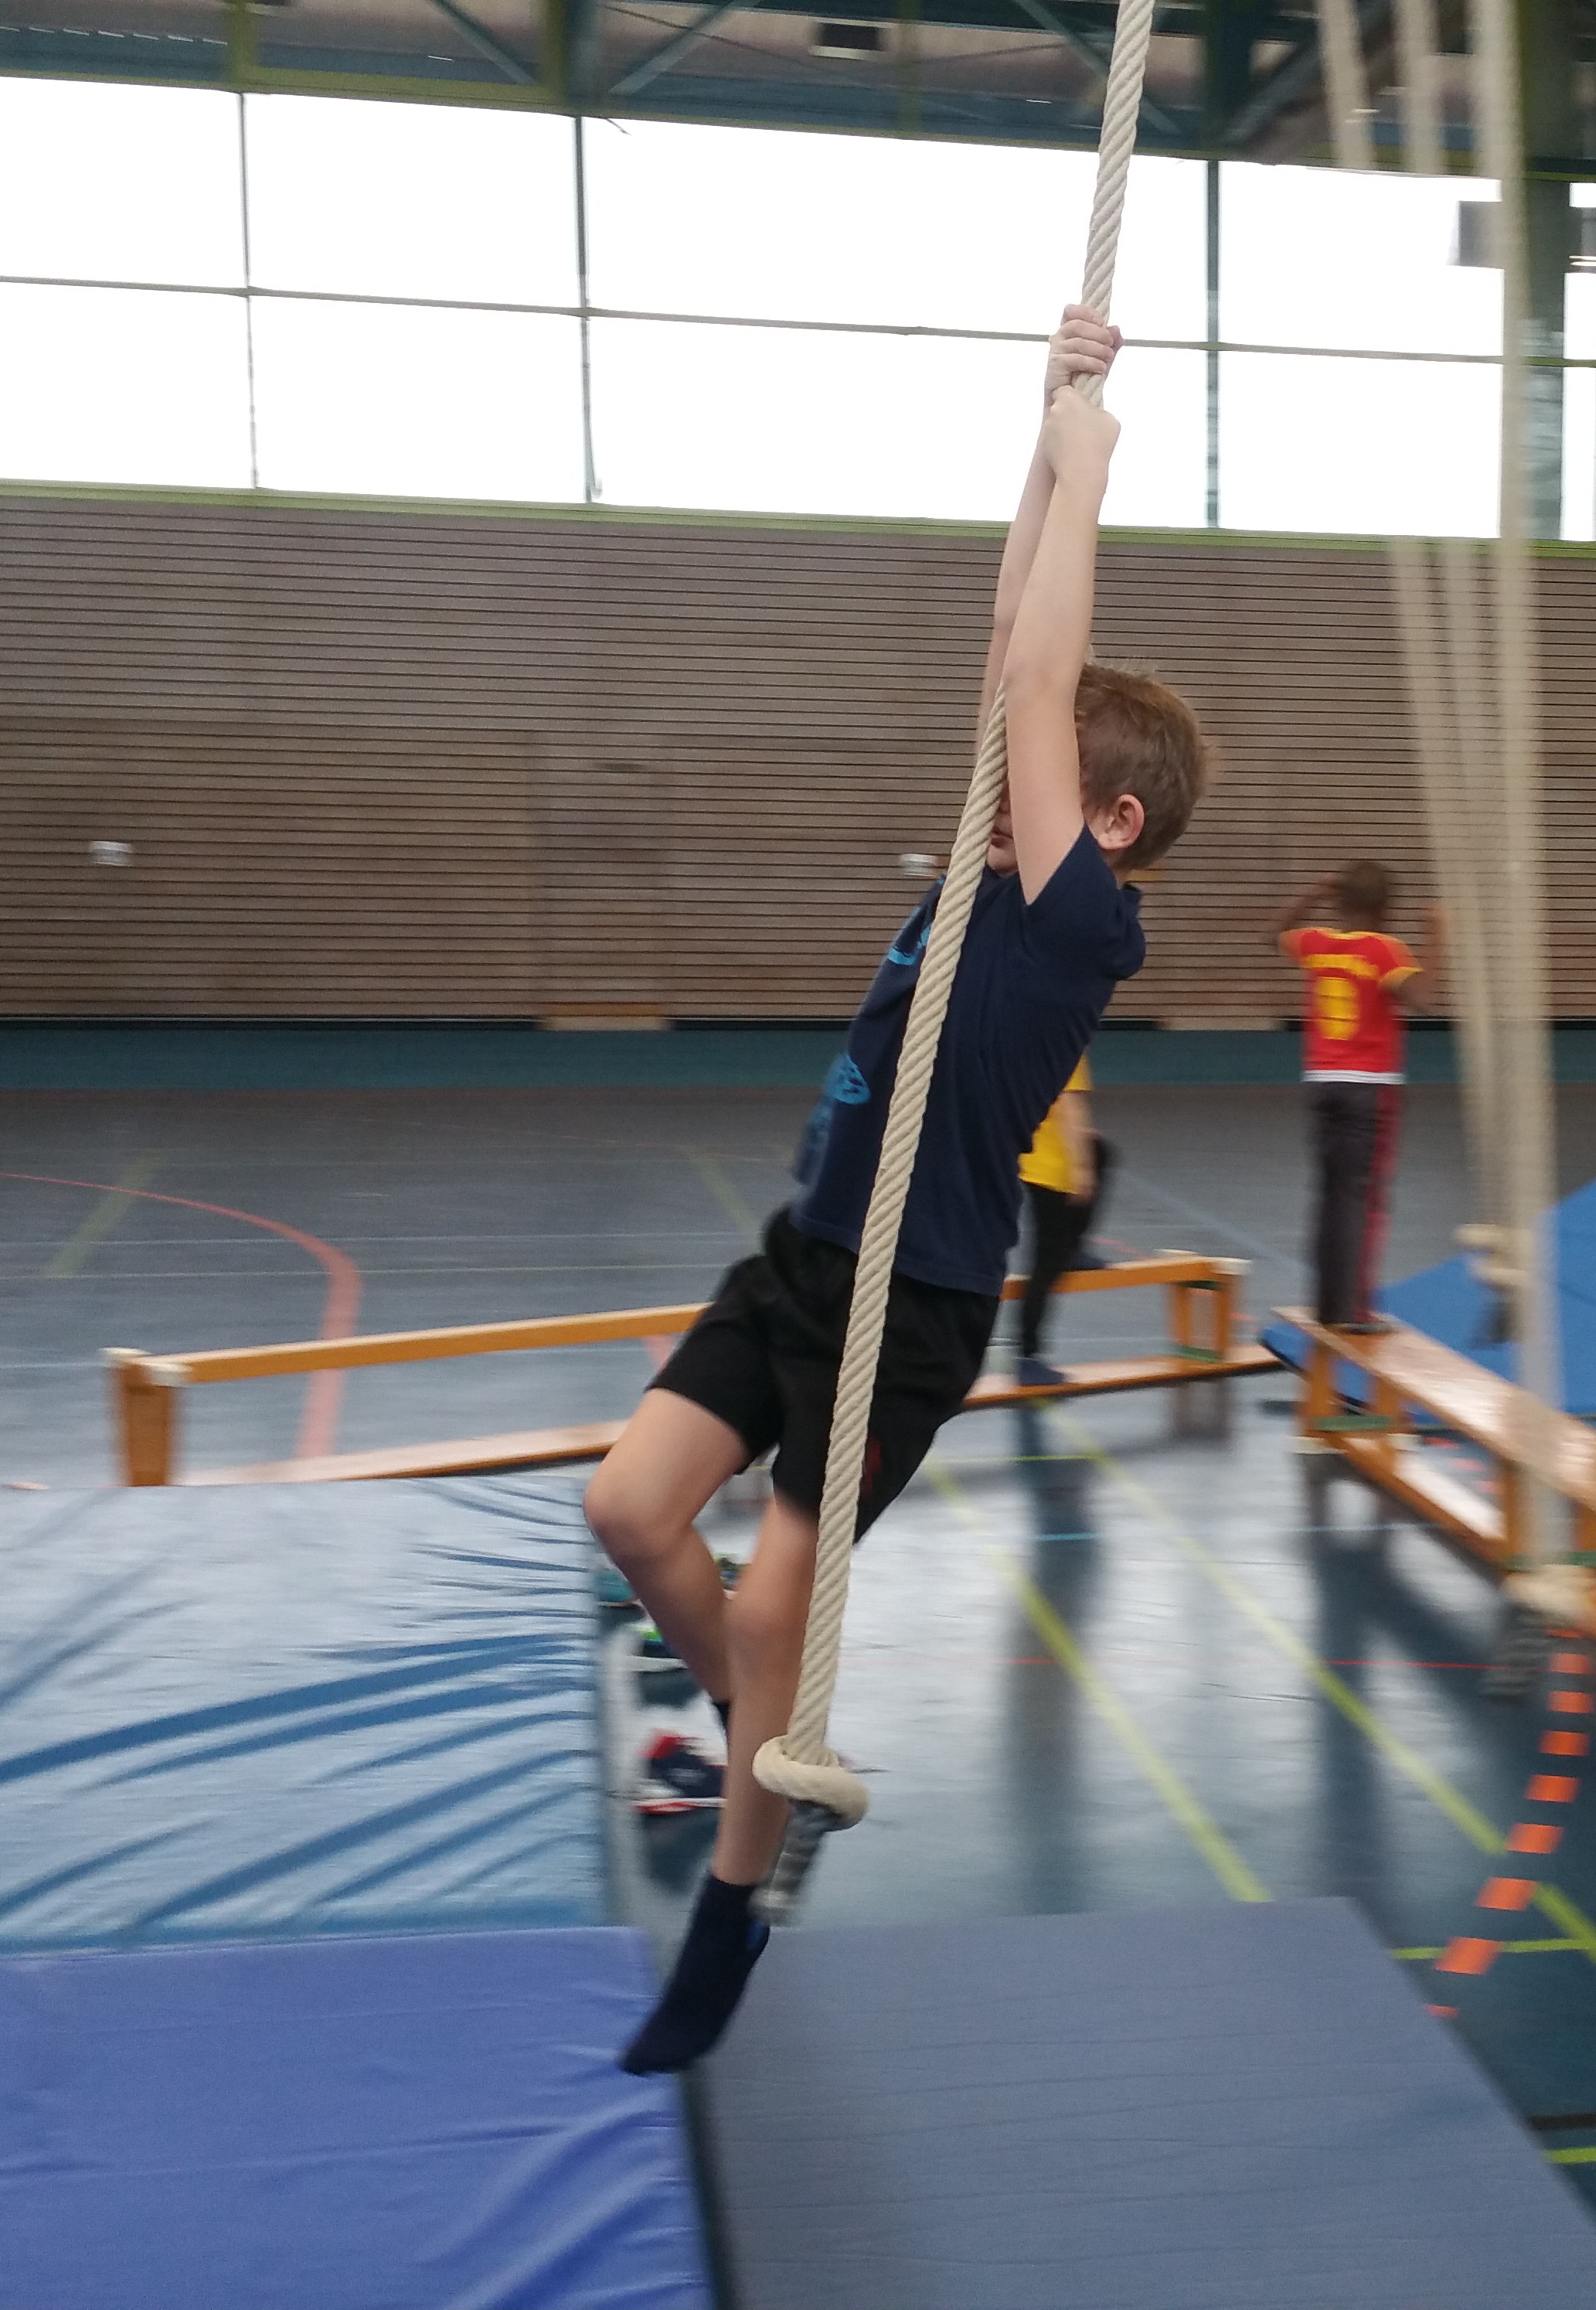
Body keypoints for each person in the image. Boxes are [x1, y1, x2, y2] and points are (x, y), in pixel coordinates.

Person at [581, 305, 1209, 2075]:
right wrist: (1045, 421)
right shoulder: (990, 865)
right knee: (629, 1512)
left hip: (908, 1304)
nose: (1006, 766)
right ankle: (753, 1721)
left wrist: (1093, 472)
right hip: (804, 1256)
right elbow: (1014, 647)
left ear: (1111, 826)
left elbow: (1039, 680)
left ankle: (734, 1907)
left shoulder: (1077, 923)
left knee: (782, 1601)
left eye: (1045, 771)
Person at [1271, 861, 1431, 1331]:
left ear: (1339, 901)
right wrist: (1439, 937)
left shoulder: (1318, 944)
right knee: (1364, 1198)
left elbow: (1272, 933)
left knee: (1330, 1196)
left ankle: (1327, 1304)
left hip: (1323, 1084)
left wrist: (1313, 894)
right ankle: (1355, 1311)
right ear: (1386, 908)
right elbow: (1422, 996)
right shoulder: (1384, 951)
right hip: (1369, 1090)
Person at [1008, 1059, 1104, 1388]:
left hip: (1035, 1155)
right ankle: (1027, 1355)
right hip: (1054, 1170)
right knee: (1045, 1264)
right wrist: (1082, 1167)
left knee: (1104, 1152)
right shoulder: (1070, 1050)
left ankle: (1074, 1247)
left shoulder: (1038, 1045)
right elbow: (1070, 1105)